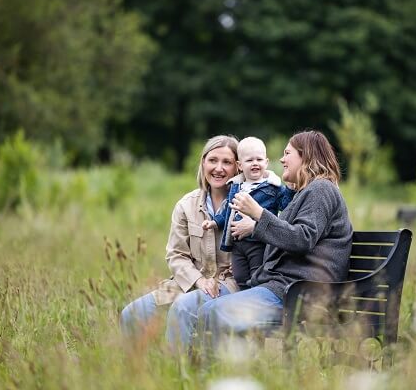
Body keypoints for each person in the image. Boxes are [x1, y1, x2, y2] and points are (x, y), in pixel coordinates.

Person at [167, 130, 353, 351]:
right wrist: (255, 229)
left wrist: (258, 215)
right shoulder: (307, 192)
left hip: (298, 294)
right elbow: (291, 235)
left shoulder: (321, 189)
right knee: (209, 309)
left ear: (306, 156)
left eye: (287, 153)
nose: (282, 159)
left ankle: (217, 376)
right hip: (285, 288)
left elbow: (302, 238)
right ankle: (216, 374)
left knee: (214, 311)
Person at [120, 135, 241, 339]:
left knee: (181, 309)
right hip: (188, 283)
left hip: (228, 285)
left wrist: (215, 282)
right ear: (203, 163)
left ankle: (175, 368)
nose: (218, 168)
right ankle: (137, 368)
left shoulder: (245, 203)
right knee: (131, 315)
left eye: (227, 162)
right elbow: (176, 255)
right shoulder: (186, 205)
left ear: (237, 168)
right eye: (213, 160)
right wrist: (199, 280)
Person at [202, 136, 295, 290]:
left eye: (259, 160)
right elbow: (228, 210)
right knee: (239, 276)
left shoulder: (273, 187)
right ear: (239, 165)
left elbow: (285, 206)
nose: (255, 164)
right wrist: (214, 222)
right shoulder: (236, 186)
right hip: (237, 244)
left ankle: (253, 298)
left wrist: (290, 190)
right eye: (249, 160)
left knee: (257, 275)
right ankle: (245, 297)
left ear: (266, 162)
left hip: (259, 243)